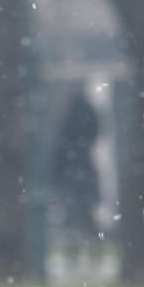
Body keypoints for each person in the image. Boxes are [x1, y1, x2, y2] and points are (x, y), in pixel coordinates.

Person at [50, 87, 104, 273]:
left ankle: (80, 255)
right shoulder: (81, 151)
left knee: (76, 219)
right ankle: (89, 253)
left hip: (73, 176)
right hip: (80, 174)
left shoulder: (66, 126)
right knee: (84, 219)